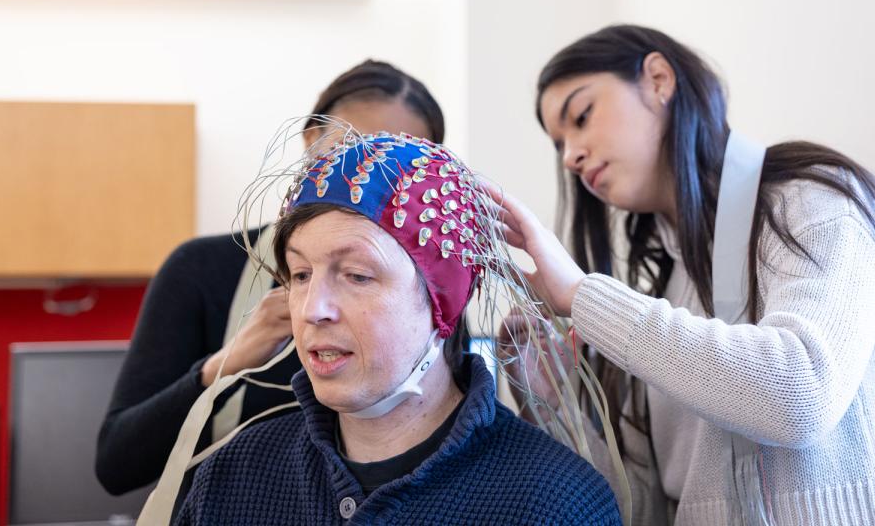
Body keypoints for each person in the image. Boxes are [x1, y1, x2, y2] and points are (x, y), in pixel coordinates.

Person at [494, 25, 875, 525]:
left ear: (659, 79)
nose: (571, 155)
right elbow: (639, 509)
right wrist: (551, 403)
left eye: (581, 115)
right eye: (560, 144)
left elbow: (800, 397)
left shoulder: (817, 201)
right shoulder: (656, 297)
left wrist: (580, 294)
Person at [170, 131, 622, 525]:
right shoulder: (230, 482)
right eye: (301, 274)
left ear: (443, 302)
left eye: (357, 276)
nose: (312, 310)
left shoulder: (555, 502)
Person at [96, 60, 446, 496]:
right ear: (310, 143)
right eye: (352, 152)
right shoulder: (200, 270)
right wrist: (225, 366)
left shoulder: (434, 299)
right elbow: (117, 462)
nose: (368, 181)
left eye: (399, 165)